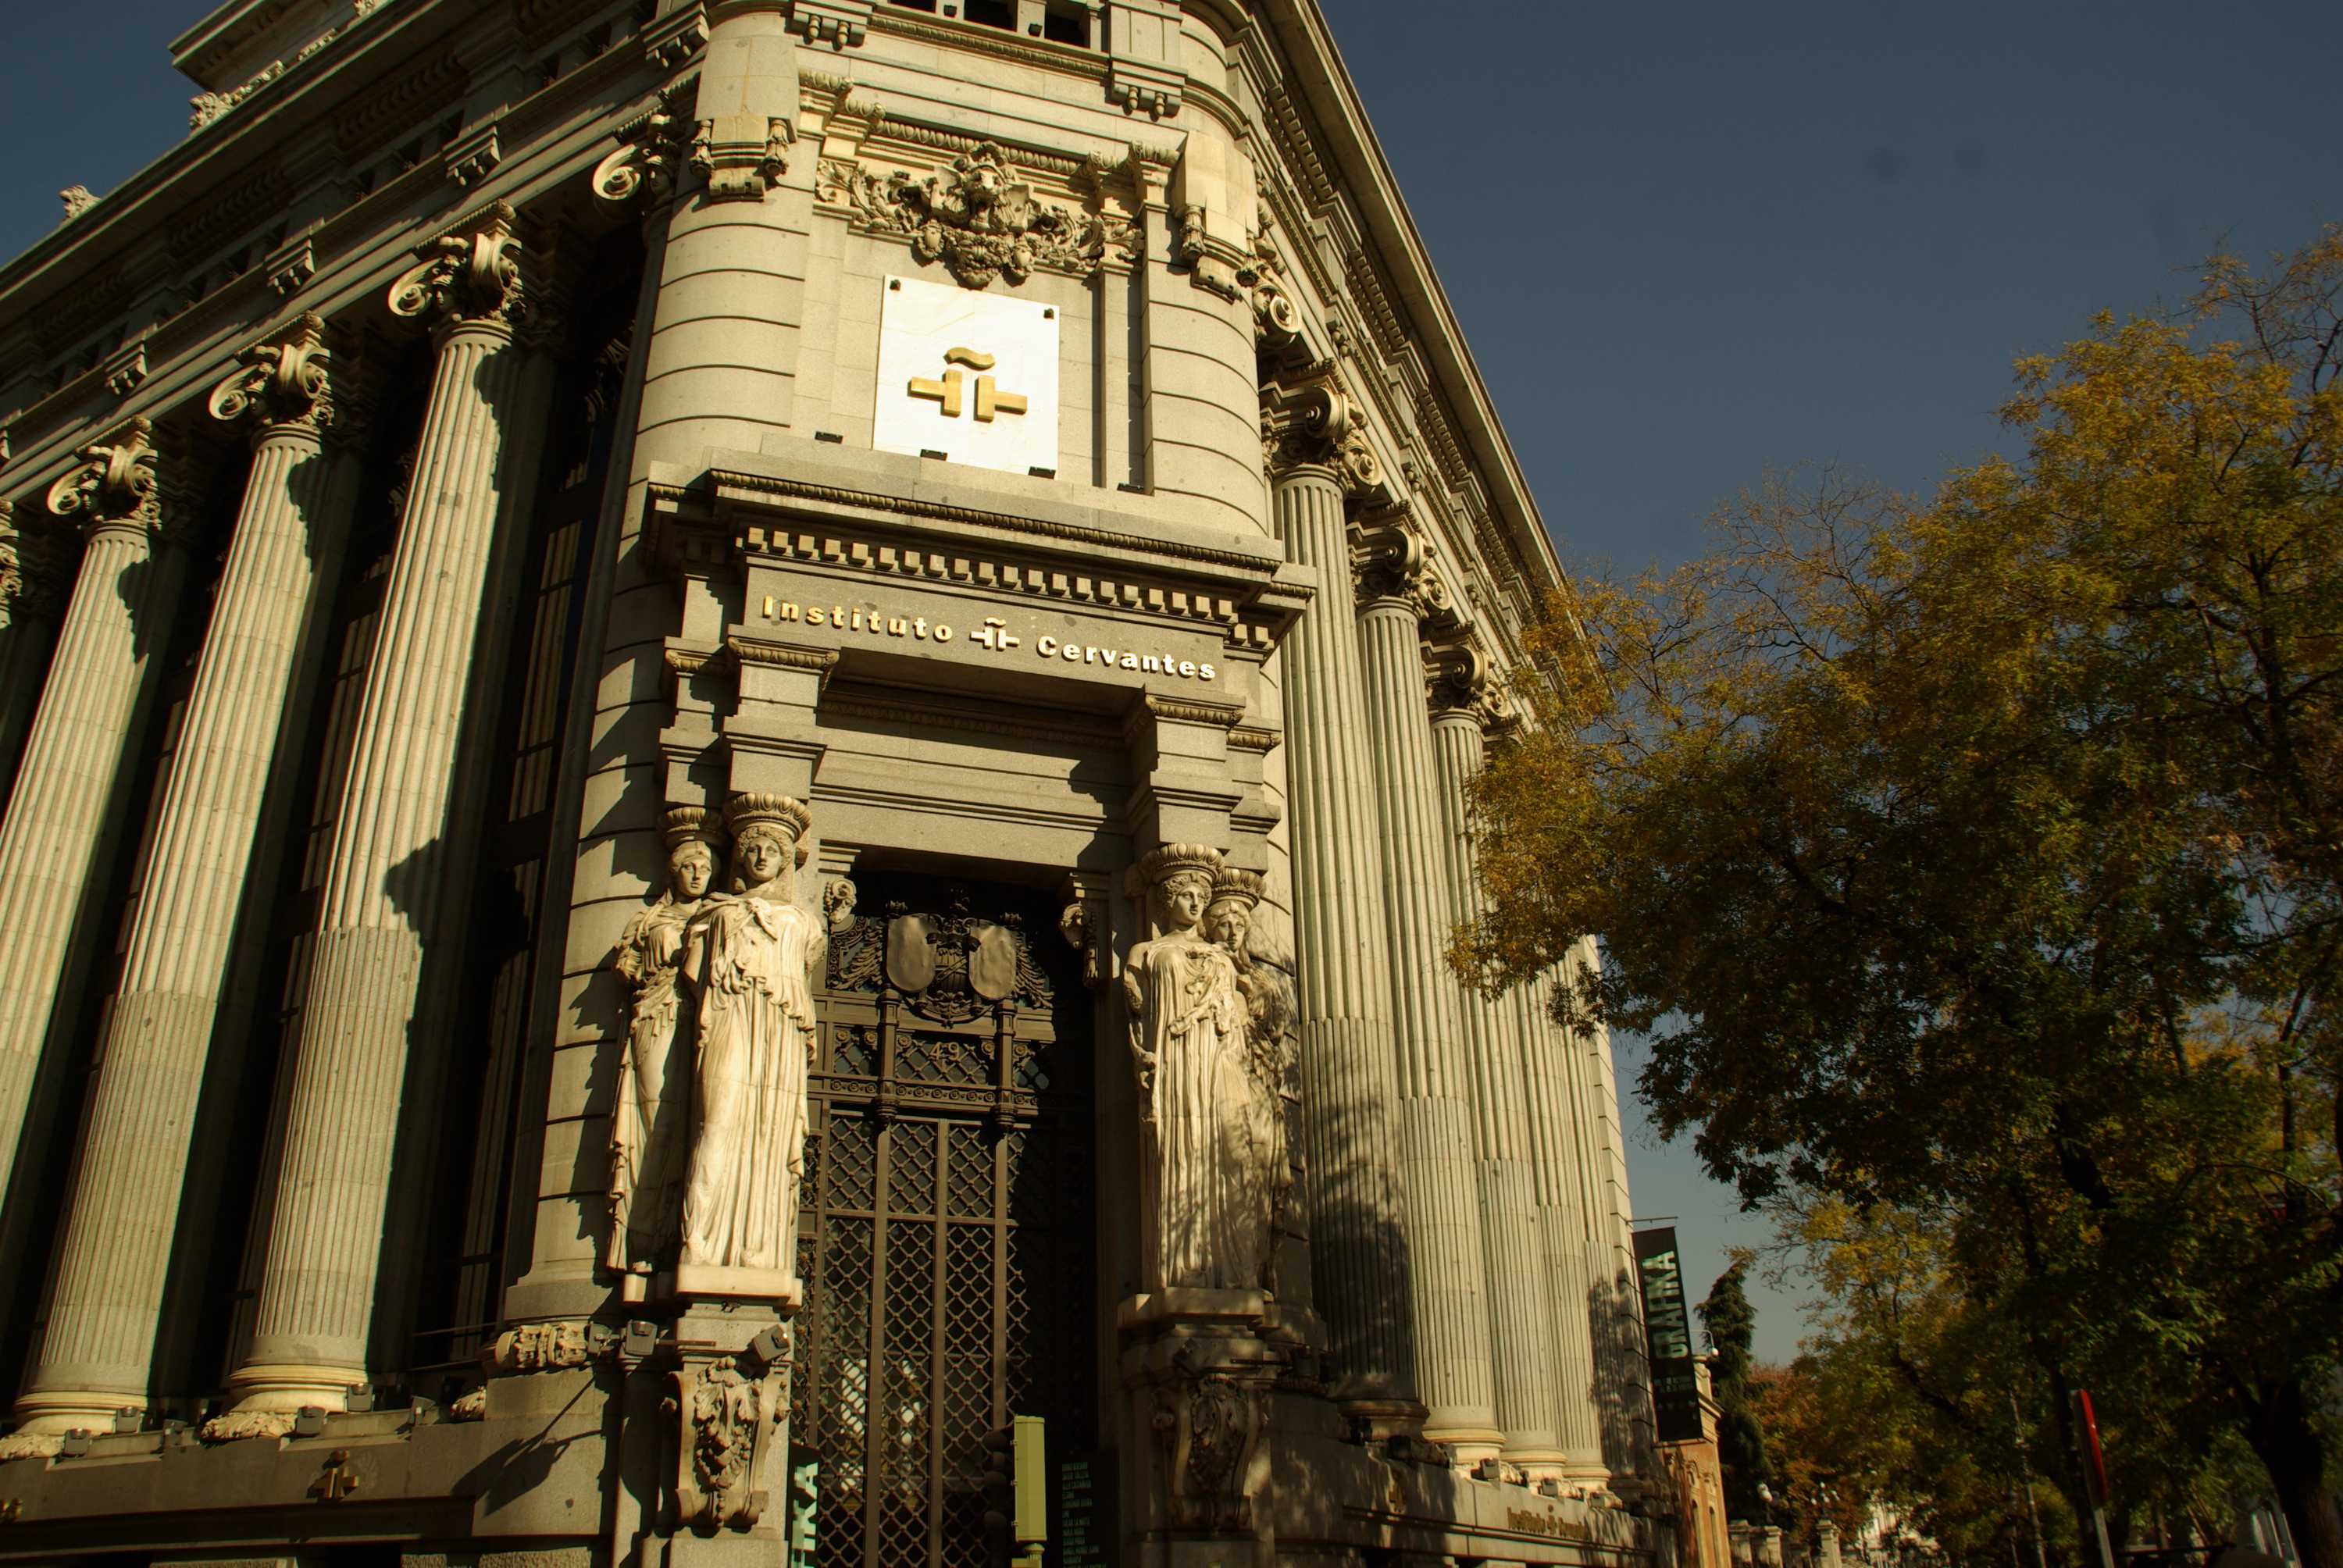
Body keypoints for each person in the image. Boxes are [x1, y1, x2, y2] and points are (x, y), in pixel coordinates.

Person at [678, 792, 825, 1292]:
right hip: (729, 1022)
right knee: (717, 1122)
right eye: (754, 849)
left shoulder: (802, 923)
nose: (762, 857)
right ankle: (701, 1239)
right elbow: (695, 980)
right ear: (739, 855)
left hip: (778, 1036)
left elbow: (803, 968)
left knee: (769, 1132)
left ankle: (757, 1251)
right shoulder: (716, 916)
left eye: (773, 851)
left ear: (787, 861)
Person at [1123, 843, 1260, 1292]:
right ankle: (1182, 1267)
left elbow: (1237, 1016)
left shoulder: (1221, 956)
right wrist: (1142, 1054)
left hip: (1216, 1062)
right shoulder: (1145, 952)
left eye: (1203, 895)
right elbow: (1134, 1014)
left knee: (1226, 1152)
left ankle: (1228, 1270)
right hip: (1175, 1063)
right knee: (1178, 1150)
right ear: (1168, 900)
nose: (1197, 901)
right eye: (1187, 894)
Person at [607, 807, 722, 1286]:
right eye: (689, 866)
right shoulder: (648, 919)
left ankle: (679, 1239)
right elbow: (628, 967)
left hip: (704, 1023)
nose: (698, 874)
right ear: (672, 871)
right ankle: (644, 1239)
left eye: (705, 867)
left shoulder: (718, 913)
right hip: (656, 1019)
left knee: (696, 1127)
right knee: (656, 1123)